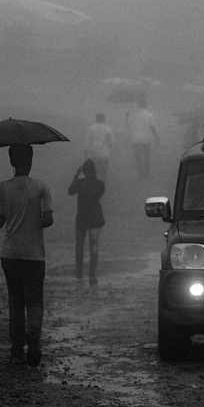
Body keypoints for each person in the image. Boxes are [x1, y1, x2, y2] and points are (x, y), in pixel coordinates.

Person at [0, 144, 53, 368]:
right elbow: (48, 220)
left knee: (16, 301)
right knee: (34, 300)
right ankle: (33, 335)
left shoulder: (2, 188)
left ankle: (17, 351)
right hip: (33, 254)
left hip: (9, 253)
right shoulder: (40, 186)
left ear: (11, 162)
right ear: (31, 161)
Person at [67, 159, 105, 287]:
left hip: (82, 217)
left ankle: (79, 272)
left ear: (84, 171)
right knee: (94, 246)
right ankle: (92, 275)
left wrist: (76, 176)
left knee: (79, 245)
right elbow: (97, 195)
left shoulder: (79, 183)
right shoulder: (100, 184)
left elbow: (70, 192)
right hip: (95, 217)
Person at [126, 97, 160, 177]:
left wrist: (126, 116)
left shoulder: (134, 115)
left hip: (136, 139)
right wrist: (157, 138)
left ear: (139, 105)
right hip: (146, 139)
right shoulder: (149, 115)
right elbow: (153, 128)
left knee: (138, 158)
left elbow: (128, 125)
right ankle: (146, 173)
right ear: (146, 105)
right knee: (147, 157)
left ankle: (140, 173)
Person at [84, 113, 115, 182]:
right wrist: (109, 147)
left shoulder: (91, 129)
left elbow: (87, 142)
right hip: (104, 154)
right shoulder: (108, 129)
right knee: (103, 171)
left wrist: (86, 153)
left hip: (93, 153)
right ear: (104, 120)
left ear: (96, 119)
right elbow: (112, 142)